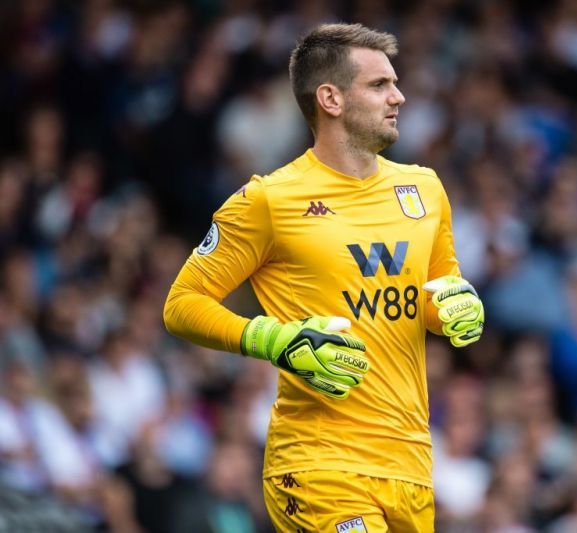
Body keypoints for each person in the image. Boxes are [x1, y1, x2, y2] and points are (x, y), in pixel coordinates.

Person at [163, 22, 484, 532]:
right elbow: (181, 305)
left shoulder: (424, 189)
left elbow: (437, 293)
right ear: (330, 98)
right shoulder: (268, 200)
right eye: (379, 85)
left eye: (395, 83)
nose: (398, 96)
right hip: (318, 462)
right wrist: (276, 340)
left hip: (411, 464)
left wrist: (459, 310)